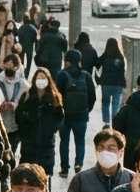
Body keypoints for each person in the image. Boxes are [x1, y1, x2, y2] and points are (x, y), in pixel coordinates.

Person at [15, 68, 65, 179]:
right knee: (27, 170)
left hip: (46, 141)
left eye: (43, 78)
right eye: (38, 77)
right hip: (29, 140)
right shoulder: (27, 95)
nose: (41, 80)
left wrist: (51, 129)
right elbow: (19, 114)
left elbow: (60, 116)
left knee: (44, 172)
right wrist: (24, 130)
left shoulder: (54, 97)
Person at [56, 49, 97, 178]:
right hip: (81, 116)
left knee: (64, 141)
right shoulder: (86, 76)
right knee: (80, 141)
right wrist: (87, 109)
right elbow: (93, 96)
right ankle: (78, 165)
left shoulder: (62, 75)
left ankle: (64, 168)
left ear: (66, 61)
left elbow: (57, 95)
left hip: (65, 115)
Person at [95, 38, 127, 126]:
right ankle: (114, 120)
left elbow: (97, 65)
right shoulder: (120, 57)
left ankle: (106, 122)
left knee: (105, 102)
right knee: (116, 103)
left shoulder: (105, 56)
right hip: (117, 83)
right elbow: (124, 71)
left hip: (106, 83)